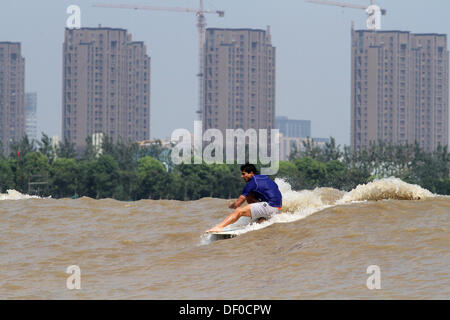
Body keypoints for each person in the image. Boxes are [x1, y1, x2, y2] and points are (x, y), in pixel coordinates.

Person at [205, 163, 282, 233]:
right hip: (278, 207)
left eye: (243, 174)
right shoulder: (265, 177)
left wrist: (232, 205)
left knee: (239, 211)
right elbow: (275, 188)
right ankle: (262, 219)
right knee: (249, 195)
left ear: (251, 173)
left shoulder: (252, 183)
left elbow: (237, 205)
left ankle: (219, 227)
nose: (242, 176)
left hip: (270, 206)